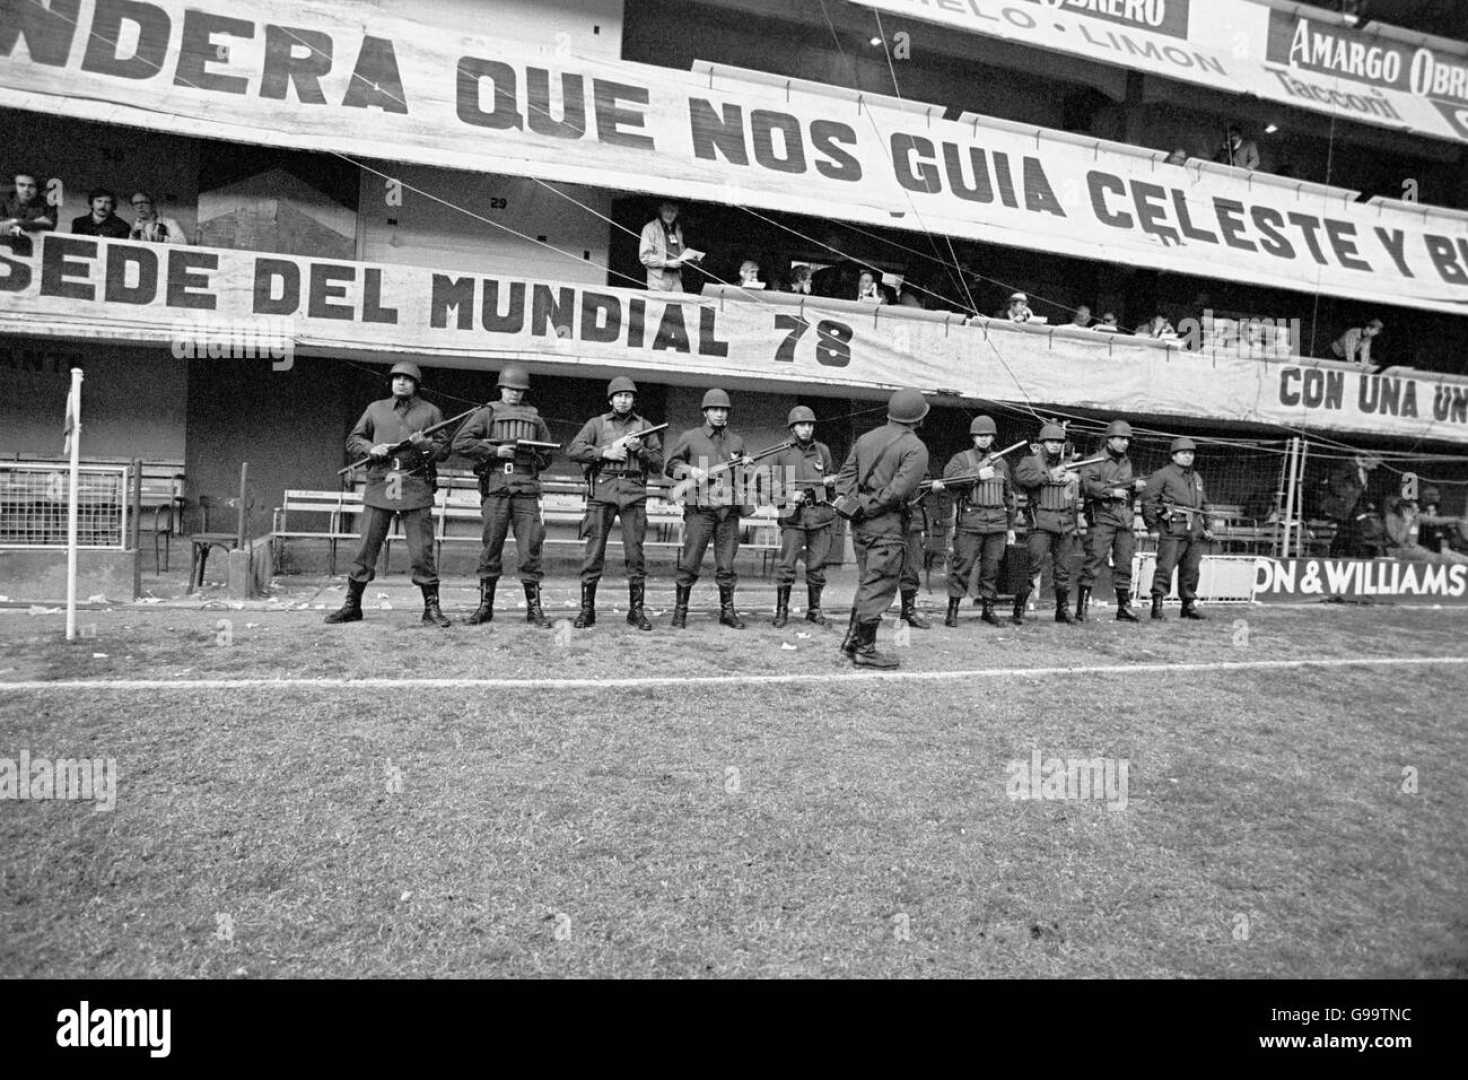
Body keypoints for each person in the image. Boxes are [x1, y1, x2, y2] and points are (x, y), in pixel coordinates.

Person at [325, 362, 451, 627]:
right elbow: (353, 440)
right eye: (397, 378)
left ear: (416, 384)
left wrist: (424, 445)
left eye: (407, 379)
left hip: (415, 483)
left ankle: (431, 608)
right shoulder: (375, 409)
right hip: (380, 482)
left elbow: (443, 452)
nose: (401, 382)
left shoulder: (431, 412)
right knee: (366, 547)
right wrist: (371, 448)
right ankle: (352, 605)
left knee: (422, 551)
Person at [452, 365, 556, 629]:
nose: (515, 394)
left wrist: (530, 454)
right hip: (496, 486)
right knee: (491, 547)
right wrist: (494, 452)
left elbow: (547, 457)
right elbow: (460, 443)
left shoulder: (535, 418)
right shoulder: (487, 413)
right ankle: (484, 608)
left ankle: (534, 609)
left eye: (519, 390)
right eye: (510, 389)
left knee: (530, 548)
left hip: (526, 489)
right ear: (501, 389)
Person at [834, 388, 930, 668]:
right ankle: (865, 649)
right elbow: (897, 492)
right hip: (887, 526)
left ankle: (852, 642)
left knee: (867, 582)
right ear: (918, 417)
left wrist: (856, 505)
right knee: (879, 586)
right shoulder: (915, 448)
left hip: (860, 524)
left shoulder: (865, 438)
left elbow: (843, 480)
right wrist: (869, 506)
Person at [565, 376, 665, 631]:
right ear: (611, 399)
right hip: (603, 491)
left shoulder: (645, 426)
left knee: (635, 553)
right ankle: (587, 610)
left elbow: (658, 464)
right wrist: (604, 452)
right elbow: (573, 450)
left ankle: (636, 611)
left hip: (633, 492)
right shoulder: (596, 424)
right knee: (594, 552)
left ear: (634, 400)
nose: (623, 400)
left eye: (628, 396)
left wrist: (639, 449)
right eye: (619, 396)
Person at [665, 388, 750, 629]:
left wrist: (746, 467)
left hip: (728, 512)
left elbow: (743, 477)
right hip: (700, 511)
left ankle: (727, 612)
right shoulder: (690, 437)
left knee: (727, 565)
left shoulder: (736, 441)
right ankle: (680, 612)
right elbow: (671, 466)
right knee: (690, 562)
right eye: (714, 409)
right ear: (705, 412)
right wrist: (690, 470)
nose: (720, 414)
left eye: (723, 410)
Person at [933, 415, 1014, 627]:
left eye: (987, 435)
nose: (984, 439)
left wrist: (1011, 527)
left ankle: (988, 610)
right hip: (970, 521)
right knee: (962, 567)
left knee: (991, 569)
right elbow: (949, 481)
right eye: (979, 435)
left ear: (993, 437)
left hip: (997, 523)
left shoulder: (1002, 463)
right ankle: (953, 611)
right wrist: (977, 473)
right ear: (973, 437)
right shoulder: (961, 459)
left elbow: (1008, 496)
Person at [769, 406, 837, 628]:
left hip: (819, 516)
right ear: (792, 428)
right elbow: (768, 484)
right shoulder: (782, 452)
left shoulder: (822, 451)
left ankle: (814, 610)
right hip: (793, 517)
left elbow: (829, 479)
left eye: (810, 424)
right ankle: (782, 611)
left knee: (817, 566)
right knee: (787, 566)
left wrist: (831, 483)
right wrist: (789, 494)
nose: (807, 428)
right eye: (801, 425)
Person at [1078, 419, 1146, 622]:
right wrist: (1110, 492)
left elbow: (1127, 491)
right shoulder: (1094, 461)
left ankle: (1124, 607)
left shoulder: (1127, 463)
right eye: (1121, 438)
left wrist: (1135, 488)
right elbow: (1087, 485)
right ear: (1109, 439)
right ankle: (1081, 609)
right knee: (1093, 561)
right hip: (1102, 518)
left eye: (1127, 439)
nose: (1125, 443)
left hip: (1124, 519)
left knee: (1124, 563)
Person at [1013, 422, 1081, 625]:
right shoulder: (1030, 461)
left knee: (1063, 569)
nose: (1055, 445)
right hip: (1040, 523)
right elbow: (1021, 478)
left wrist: (1075, 479)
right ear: (1042, 443)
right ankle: (1019, 608)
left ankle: (1062, 610)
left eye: (1059, 441)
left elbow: (1076, 493)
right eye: (1051, 441)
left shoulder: (1069, 464)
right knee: (1032, 567)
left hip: (1064, 523)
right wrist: (1049, 475)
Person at [1141, 436, 1214, 619]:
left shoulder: (1196, 478)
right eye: (1183, 453)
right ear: (1173, 456)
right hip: (1171, 528)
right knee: (1165, 569)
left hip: (1194, 530)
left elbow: (1204, 504)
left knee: (1191, 570)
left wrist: (1209, 526)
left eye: (1191, 453)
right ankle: (1157, 606)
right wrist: (1152, 528)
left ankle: (1188, 605)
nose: (1188, 457)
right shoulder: (1162, 475)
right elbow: (1148, 502)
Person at [1383, 493, 1468, 565]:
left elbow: (1437, 520)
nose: (1418, 510)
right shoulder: (1391, 518)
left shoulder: (1417, 516)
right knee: (1435, 558)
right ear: (1405, 510)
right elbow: (1398, 540)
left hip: (1415, 549)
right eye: (1415, 509)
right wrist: (1407, 523)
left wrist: (1457, 519)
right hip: (1398, 551)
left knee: (1445, 558)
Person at [639, 200, 699, 292]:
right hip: (658, 279)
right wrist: (666, 263)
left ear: (677, 213)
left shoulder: (677, 229)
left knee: (679, 300)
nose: (669, 214)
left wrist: (691, 258)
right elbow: (645, 258)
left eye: (673, 211)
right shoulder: (650, 228)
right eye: (666, 210)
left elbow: (681, 251)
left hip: (676, 277)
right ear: (660, 210)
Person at [1, 170, 55, 236]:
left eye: (31, 186)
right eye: (21, 185)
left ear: (38, 188)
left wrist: (15, 222)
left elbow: (48, 225)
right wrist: (33, 223)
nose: (26, 189)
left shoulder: (48, 204)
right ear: (15, 186)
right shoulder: (3, 200)